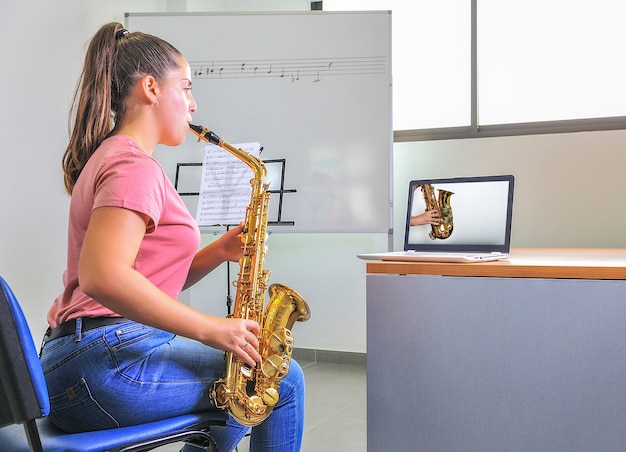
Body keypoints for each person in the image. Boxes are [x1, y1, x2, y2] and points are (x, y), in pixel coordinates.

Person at [39, 22, 305, 452]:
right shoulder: (132, 166)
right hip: (103, 365)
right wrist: (212, 330)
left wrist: (218, 251)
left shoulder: (116, 157)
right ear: (150, 88)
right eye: (185, 86)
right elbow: (102, 277)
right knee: (282, 379)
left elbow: (139, 283)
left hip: (86, 359)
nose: (193, 104)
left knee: (238, 388)